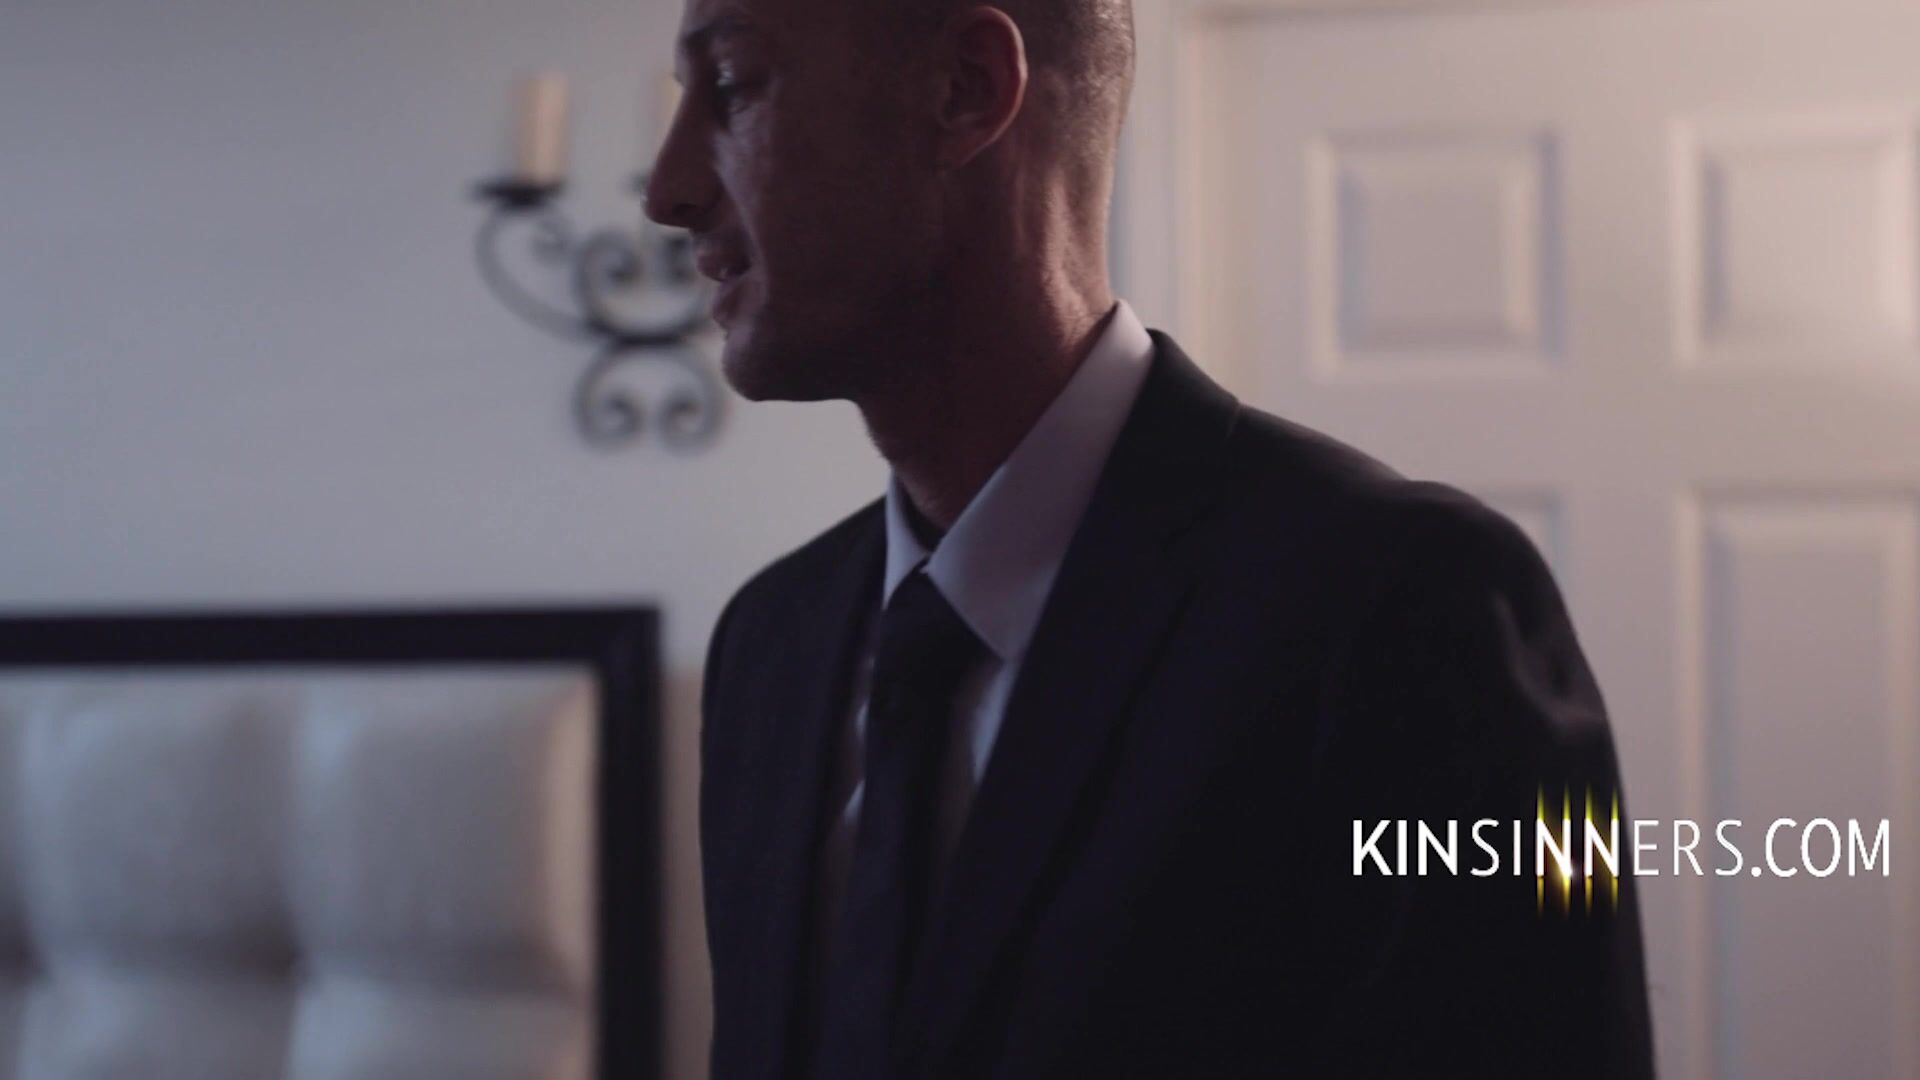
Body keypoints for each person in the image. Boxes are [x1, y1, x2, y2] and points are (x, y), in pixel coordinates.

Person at [648, 0, 1655, 1076]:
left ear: (966, 90)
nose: (667, 191)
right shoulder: (771, 646)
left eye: (734, 86)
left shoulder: (1420, 604)